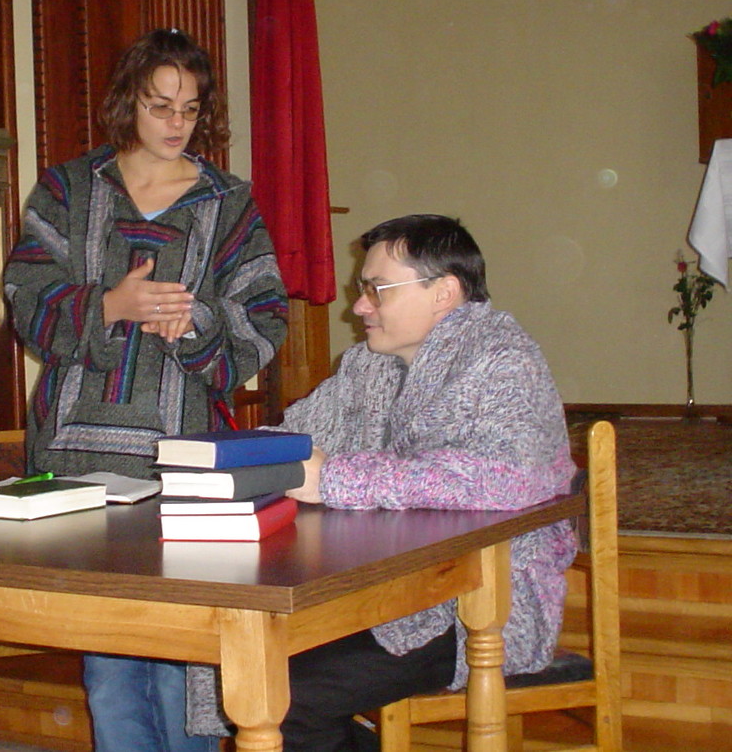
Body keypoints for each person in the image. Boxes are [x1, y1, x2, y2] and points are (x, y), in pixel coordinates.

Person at [185, 214, 578, 751]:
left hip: (480, 602)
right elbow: (296, 437)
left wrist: (336, 479)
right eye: (362, 289)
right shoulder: (366, 367)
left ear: (444, 293)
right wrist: (215, 462)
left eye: (377, 289)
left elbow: (508, 478)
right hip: (386, 589)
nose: (360, 307)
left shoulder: (504, 360)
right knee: (246, 672)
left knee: (284, 696)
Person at [3, 28, 289, 752]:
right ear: (128, 100)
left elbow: (266, 316)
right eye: (160, 105)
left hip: (185, 462)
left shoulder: (229, 203)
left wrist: (197, 322)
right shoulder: (68, 189)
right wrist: (109, 305)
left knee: (184, 661)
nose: (175, 123)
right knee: (108, 664)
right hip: (77, 456)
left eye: (190, 109)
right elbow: (25, 297)